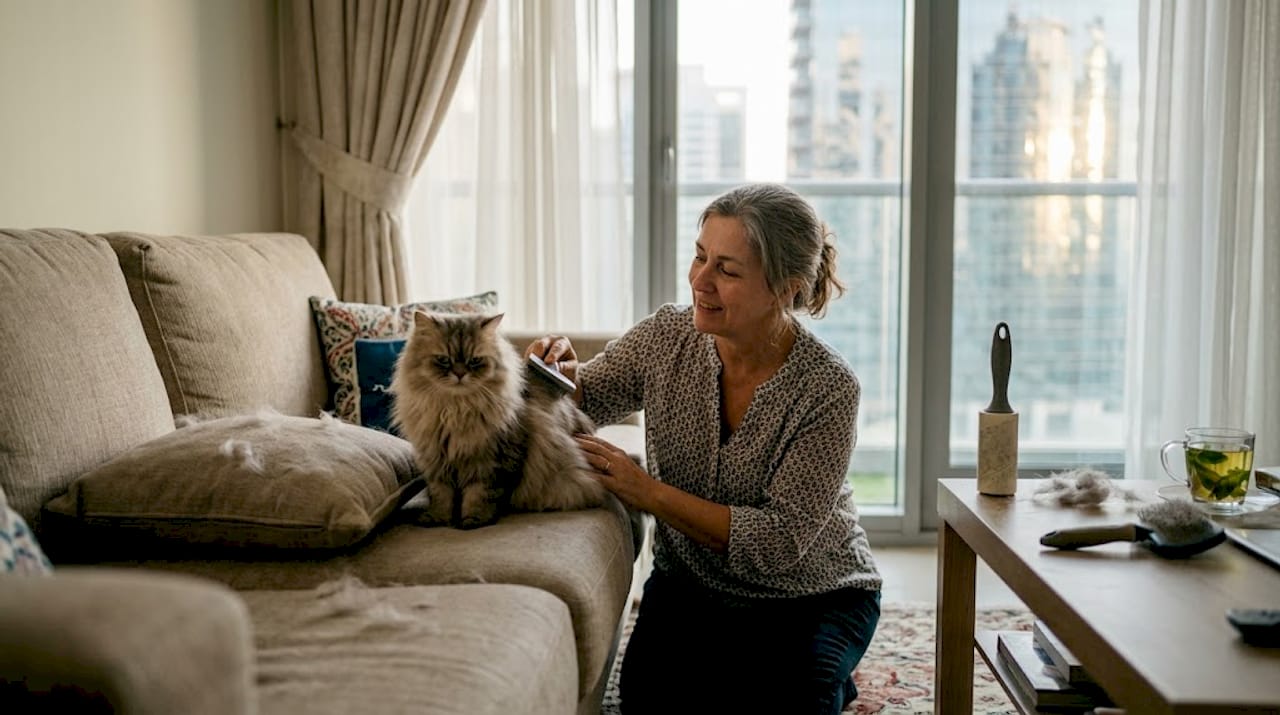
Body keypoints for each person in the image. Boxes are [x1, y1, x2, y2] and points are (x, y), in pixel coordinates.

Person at [527, 183, 881, 714]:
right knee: (650, 702)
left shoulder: (829, 389)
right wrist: (554, 374)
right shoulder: (667, 336)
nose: (700, 281)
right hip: (691, 586)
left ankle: (822, 674)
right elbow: (590, 397)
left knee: (797, 703)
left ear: (784, 289)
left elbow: (782, 542)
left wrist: (647, 492)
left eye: (727, 270)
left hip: (811, 594)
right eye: (699, 257)